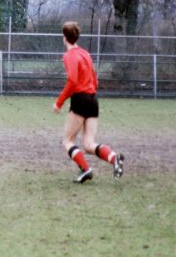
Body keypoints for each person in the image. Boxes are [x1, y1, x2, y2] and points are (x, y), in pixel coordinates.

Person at [53, 21, 124, 183]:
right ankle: (115, 159)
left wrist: (59, 102)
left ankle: (86, 170)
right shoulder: (85, 54)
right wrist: (89, 91)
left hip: (80, 99)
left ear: (64, 38)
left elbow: (72, 80)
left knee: (67, 141)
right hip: (93, 99)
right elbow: (95, 80)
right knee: (89, 144)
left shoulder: (69, 56)